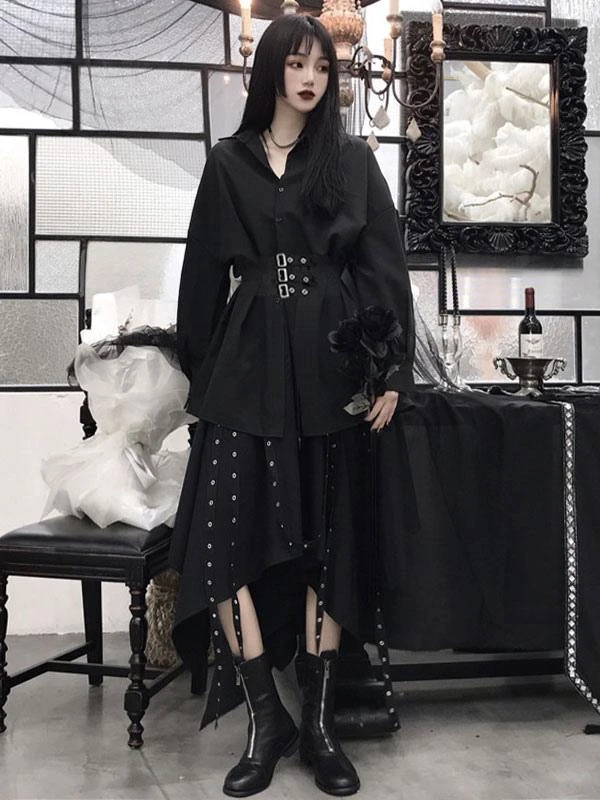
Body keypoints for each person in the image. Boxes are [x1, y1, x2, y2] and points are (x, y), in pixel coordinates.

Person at [170, 12, 415, 798]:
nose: (310, 78)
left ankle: (318, 725)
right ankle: (264, 718)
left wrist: (391, 372)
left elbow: (384, 270)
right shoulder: (228, 163)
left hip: (329, 370)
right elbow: (200, 280)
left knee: (327, 546)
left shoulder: (350, 160)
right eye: (297, 64)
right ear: (271, 68)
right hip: (244, 373)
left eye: (321, 67)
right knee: (221, 547)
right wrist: (201, 381)